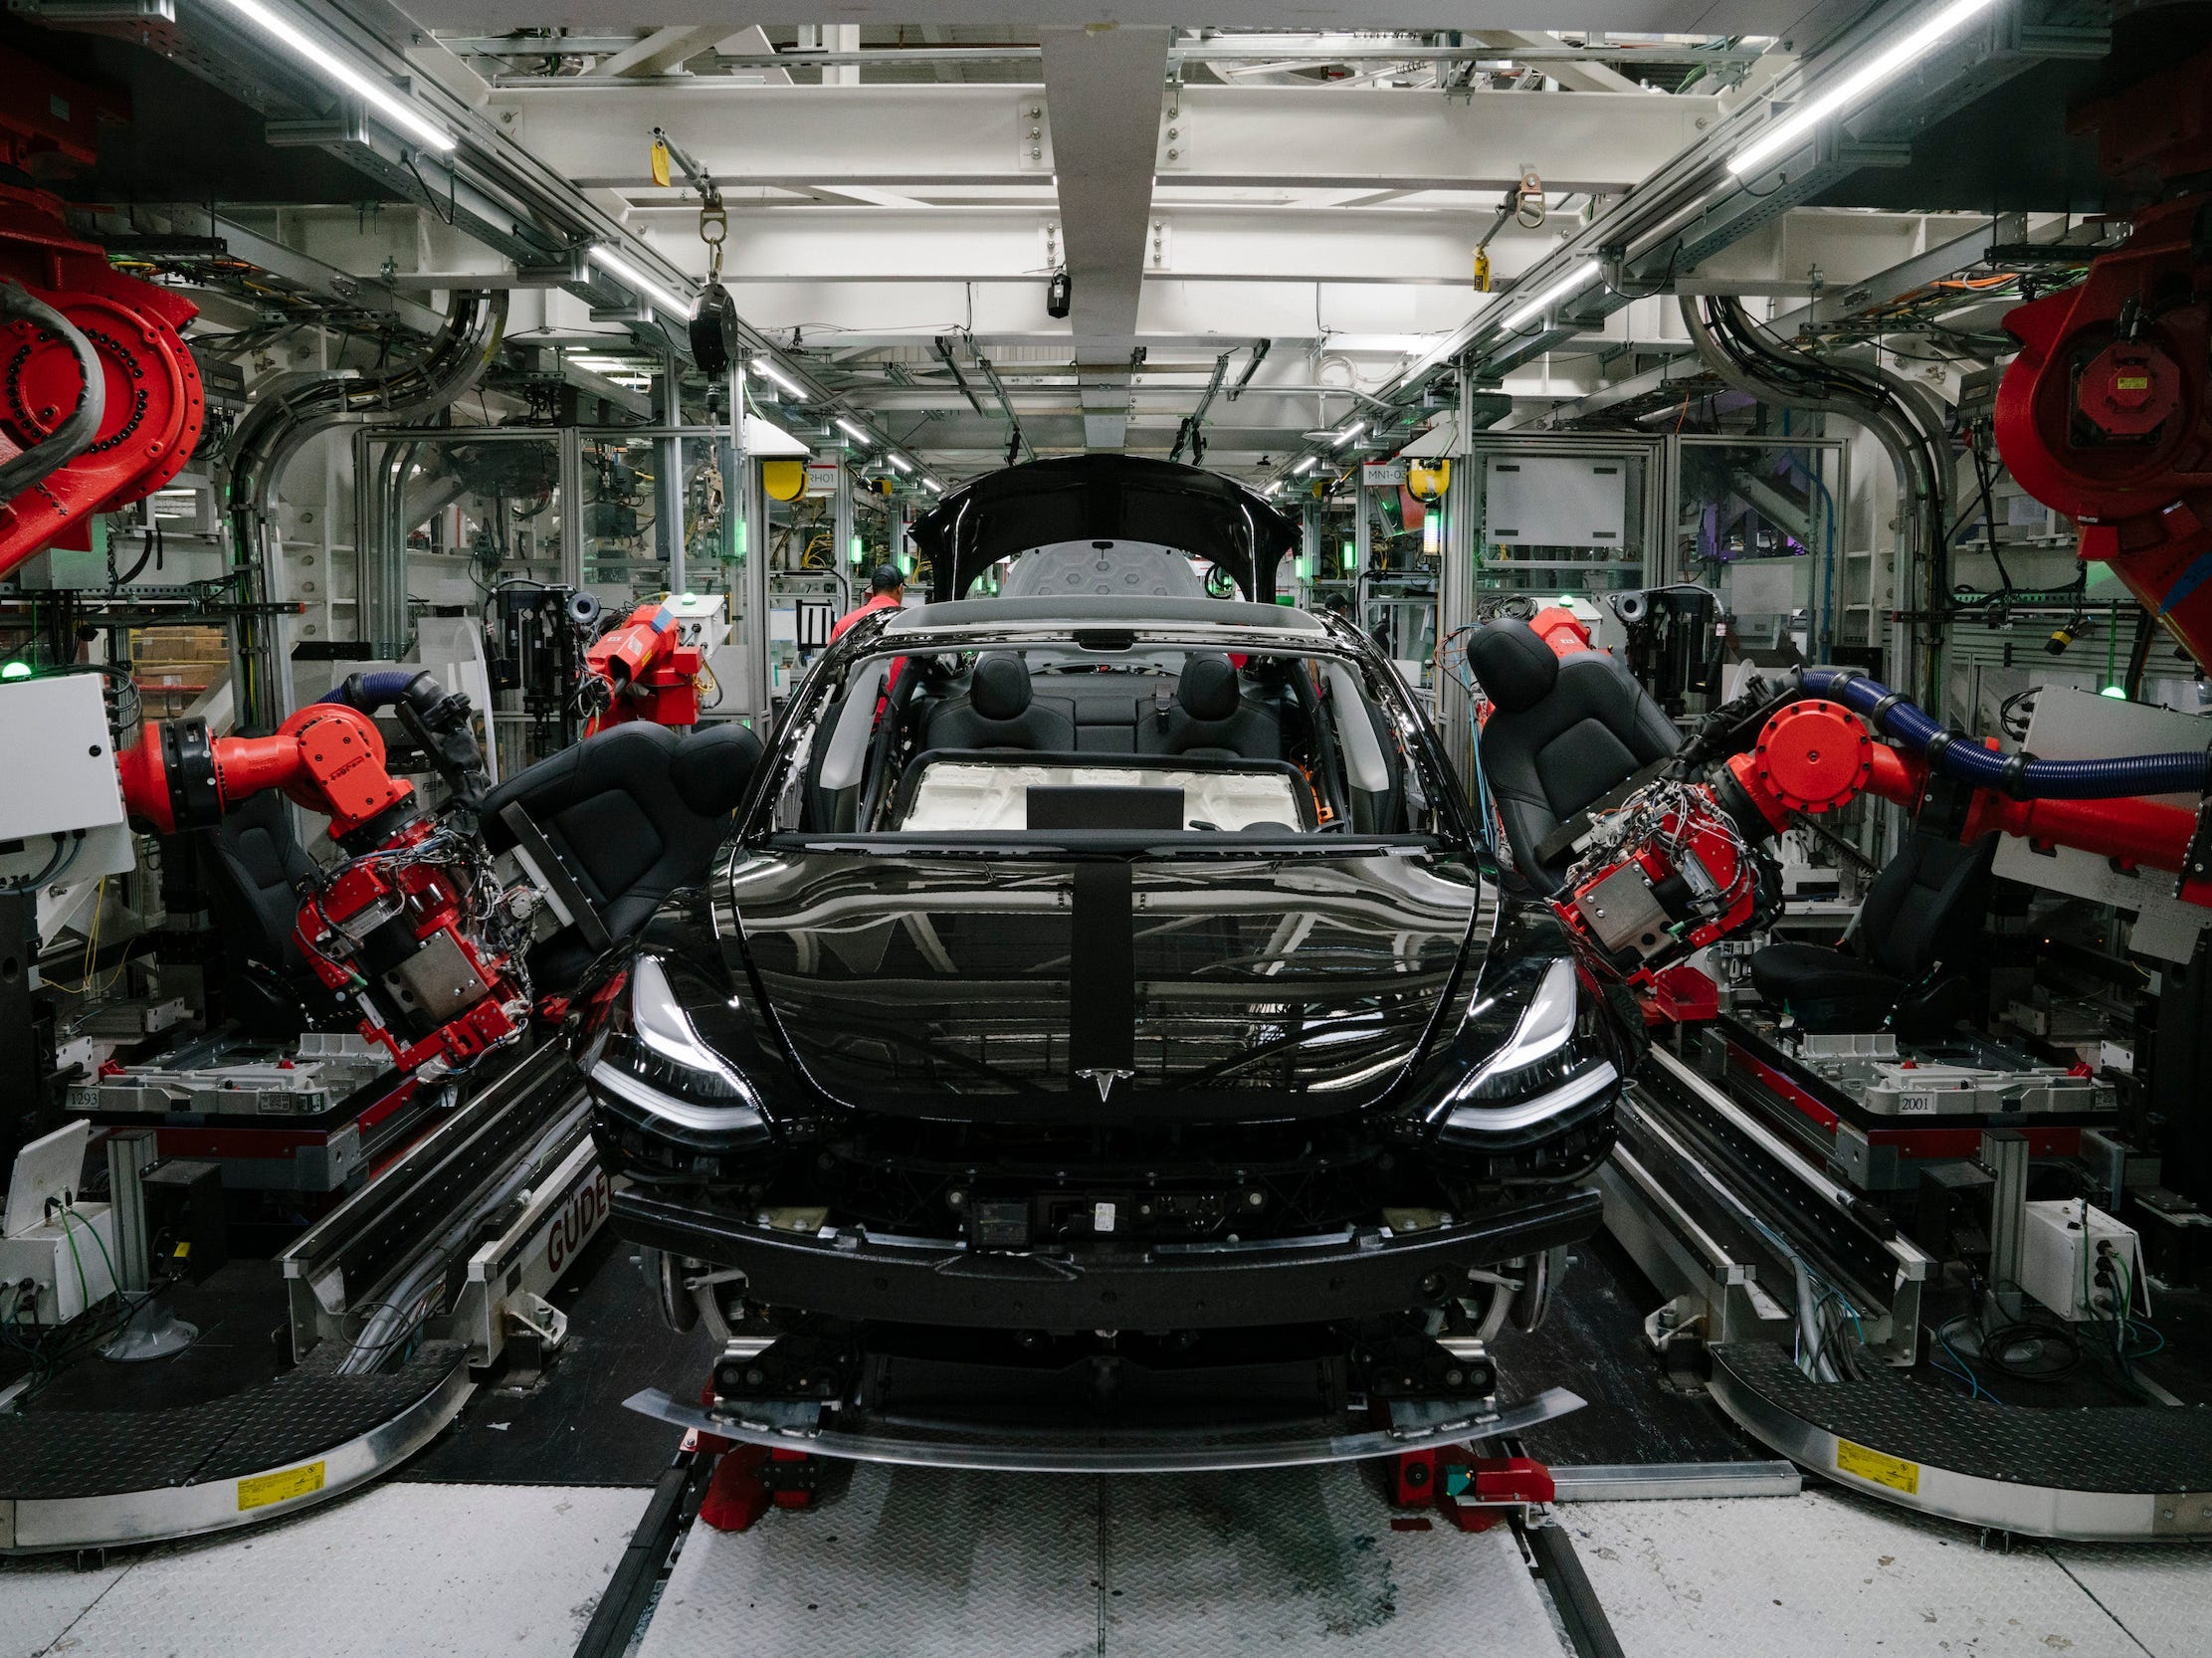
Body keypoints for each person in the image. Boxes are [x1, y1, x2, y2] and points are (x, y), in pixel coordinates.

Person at [832, 563, 905, 641]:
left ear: (872, 590)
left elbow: (832, 652)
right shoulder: (911, 622)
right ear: (900, 589)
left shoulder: (844, 624)